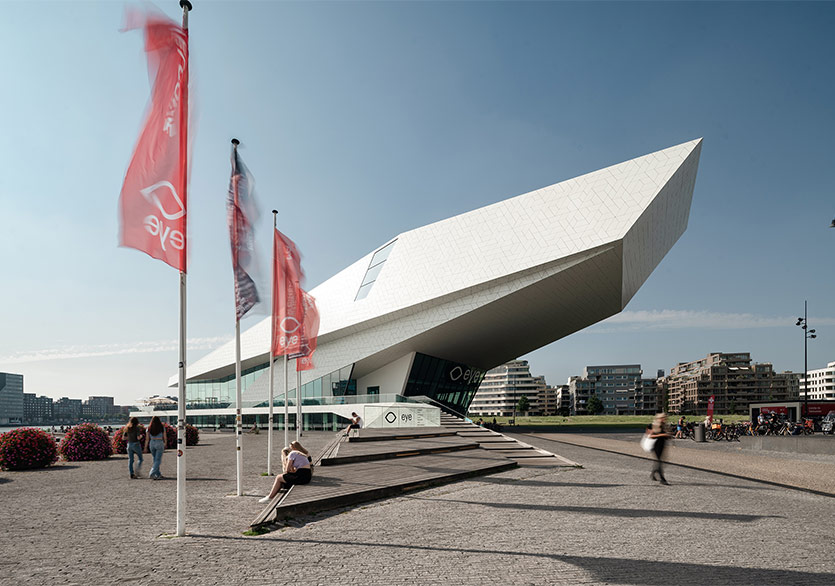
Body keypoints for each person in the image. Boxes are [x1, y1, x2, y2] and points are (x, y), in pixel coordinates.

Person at [649, 412, 671, 485]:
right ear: (660, 418)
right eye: (664, 418)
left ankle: (653, 473)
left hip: (662, 444)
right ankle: (662, 479)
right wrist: (663, 434)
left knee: (659, 461)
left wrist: (668, 435)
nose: (665, 419)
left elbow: (667, 435)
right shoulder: (655, 425)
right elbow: (651, 436)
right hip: (656, 445)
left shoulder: (664, 425)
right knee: (659, 462)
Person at [144, 416, 165, 480]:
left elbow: (147, 439)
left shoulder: (149, 428)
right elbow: (165, 436)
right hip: (159, 442)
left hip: (152, 443)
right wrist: (165, 443)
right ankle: (152, 473)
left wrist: (145, 447)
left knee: (155, 459)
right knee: (158, 460)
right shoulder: (162, 427)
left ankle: (158, 474)